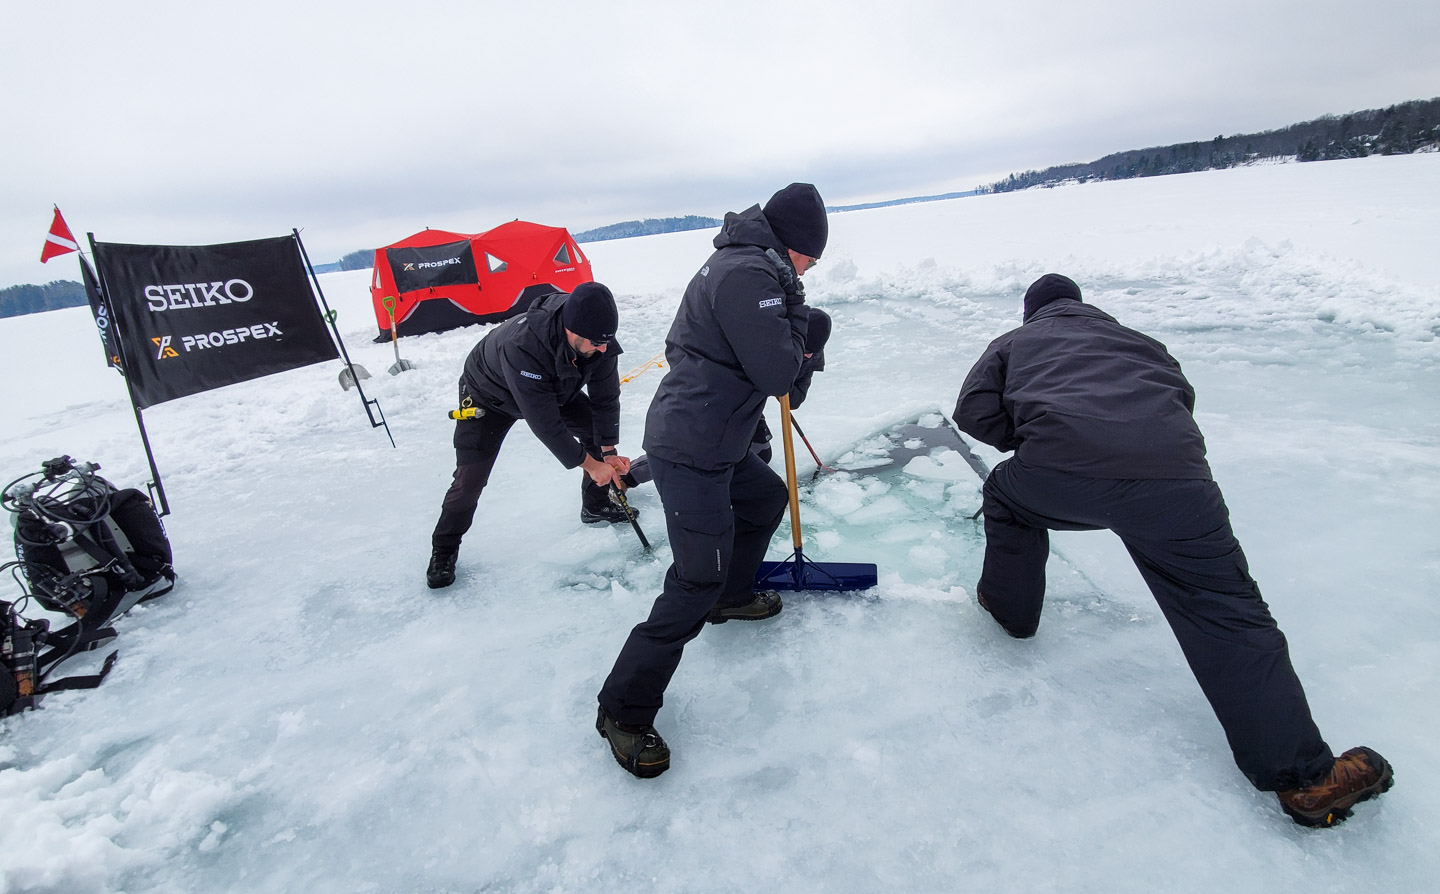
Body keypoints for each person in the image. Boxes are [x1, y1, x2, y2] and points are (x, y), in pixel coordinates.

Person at [952, 273, 1394, 827]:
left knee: (1005, 496)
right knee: (1227, 610)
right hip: (1178, 483)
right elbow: (1180, 398)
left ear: (1031, 312)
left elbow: (973, 412)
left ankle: (1010, 611)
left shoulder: (1013, 343)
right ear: (1082, 306)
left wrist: (1042, 436)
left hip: (1061, 471)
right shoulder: (1140, 341)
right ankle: (1306, 778)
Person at [594, 182, 827, 777]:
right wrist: (802, 322)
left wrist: (800, 337)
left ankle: (731, 596)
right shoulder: (749, 275)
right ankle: (622, 708)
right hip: (692, 447)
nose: (807, 271)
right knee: (694, 579)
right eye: (809, 260)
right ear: (794, 247)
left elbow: (784, 382)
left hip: (713, 439)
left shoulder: (750, 266)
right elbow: (779, 374)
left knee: (766, 497)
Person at [425, 282, 635, 589]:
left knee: (594, 429)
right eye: (596, 343)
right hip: (489, 396)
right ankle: (443, 549)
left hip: (554, 386)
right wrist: (591, 465)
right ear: (571, 330)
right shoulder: (523, 344)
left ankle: (594, 506)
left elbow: (606, 398)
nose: (603, 349)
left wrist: (607, 451)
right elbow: (546, 423)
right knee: (469, 480)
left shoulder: (598, 339)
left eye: (607, 342)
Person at [619, 306, 831, 488]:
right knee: (695, 453)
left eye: (813, 352)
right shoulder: (764, 338)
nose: (809, 355)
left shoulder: (810, 352)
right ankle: (628, 476)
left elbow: (794, 399)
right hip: (721, 395)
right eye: (805, 349)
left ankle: (725, 480)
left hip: (751, 403)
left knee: (761, 453)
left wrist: (789, 370)